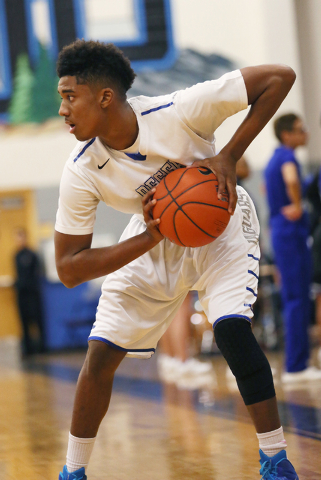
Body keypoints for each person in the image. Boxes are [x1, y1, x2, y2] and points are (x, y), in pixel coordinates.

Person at [54, 39, 298, 480]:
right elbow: (69, 268)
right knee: (100, 355)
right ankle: (73, 471)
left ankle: (275, 460)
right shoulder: (81, 170)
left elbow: (280, 77)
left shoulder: (180, 110)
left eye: (70, 96)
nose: (63, 110)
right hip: (153, 235)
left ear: (104, 97)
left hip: (220, 218)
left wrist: (229, 154)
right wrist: (149, 237)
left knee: (231, 331)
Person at [264, 113, 321, 383]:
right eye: (300, 129)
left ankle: (295, 363)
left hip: (281, 230)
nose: (305, 134)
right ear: (287, 134)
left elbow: (266, 188)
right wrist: (298, 205)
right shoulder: (287, 158)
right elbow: (291, 180)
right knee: (297, 297)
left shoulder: (273, 159)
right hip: (291, 233)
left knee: (292, 297)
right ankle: (297, 366)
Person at [14, 227, 45, 356]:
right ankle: (27, 349)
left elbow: (36, 273)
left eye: (20, 237)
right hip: (22, 293)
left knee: (36, 320)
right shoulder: (16, 256)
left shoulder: (32, 254)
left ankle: (41, 347)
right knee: (24, 321)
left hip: (32, 293)